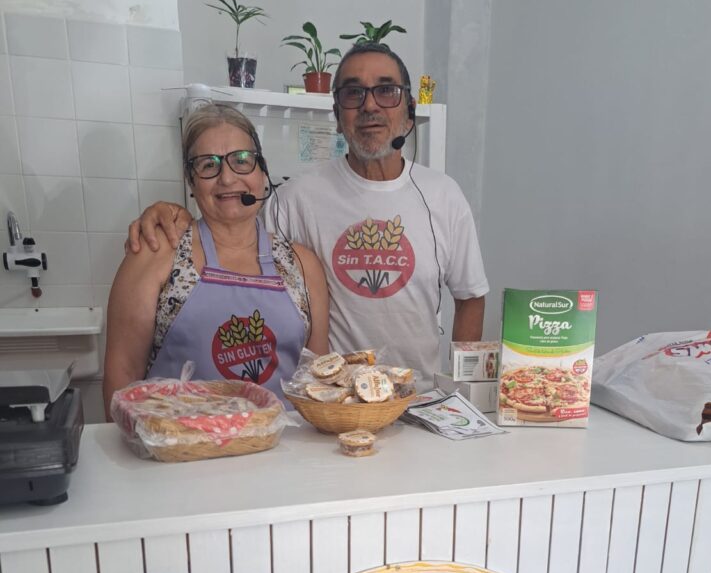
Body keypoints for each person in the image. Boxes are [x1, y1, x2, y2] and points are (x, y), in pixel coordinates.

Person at [126, 43, 487, 380]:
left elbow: (470, 297)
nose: (369, 105)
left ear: (408, 109)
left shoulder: (444, 196)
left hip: (419, 400)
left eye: (386, 90)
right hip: (331, 403)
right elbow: (233, 240)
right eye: (353, 93)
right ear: (337, 115)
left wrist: (461, 388)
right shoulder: (295, 198)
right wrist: (174, 214)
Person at [103, 104, 329, 416]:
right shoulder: (155, 254)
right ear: (191, 182)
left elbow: (318, 381)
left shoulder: (303, 265)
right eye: (208, 165)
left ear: (262, 172)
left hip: (283, 445)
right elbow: (122, 379)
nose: (227, 178)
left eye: (242, 160)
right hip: (179, 444)